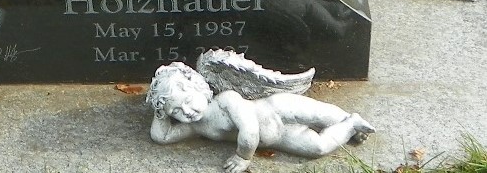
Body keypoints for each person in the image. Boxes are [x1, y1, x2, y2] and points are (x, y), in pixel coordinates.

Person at [146, 62, 374, 173]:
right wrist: (160, 111)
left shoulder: (226, 100)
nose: (187, 112)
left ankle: (344, 118)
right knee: (318, 148)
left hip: (278, 109)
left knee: (321, 114)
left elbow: (250, 130)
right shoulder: (197, 127)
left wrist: (243, 157)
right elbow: (162, 136)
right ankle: (352, 124)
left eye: (187, 102)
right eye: (176, 112)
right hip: (279, 136)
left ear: (198, 86)